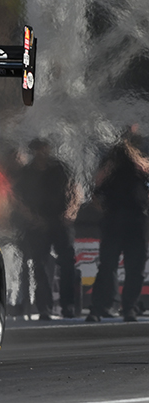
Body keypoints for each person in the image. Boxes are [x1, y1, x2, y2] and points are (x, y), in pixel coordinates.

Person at [12, 138, 80, 320]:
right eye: (37, 148)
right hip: (38, 223)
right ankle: (44, 308)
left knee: (67, 263)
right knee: (39, 265)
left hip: (60, 220)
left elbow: (75, 189)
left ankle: (68, 306)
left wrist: (71, 211)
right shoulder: (26, 172)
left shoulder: (60, 168)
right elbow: (16, 197)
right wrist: (31, 217)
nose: (41, 152)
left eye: (44, 148)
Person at [87, 124, 149, 322]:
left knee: (135, 267)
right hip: (114, 216)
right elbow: (97, 183)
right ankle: (99, 308)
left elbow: (145, 168)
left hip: (136, 217)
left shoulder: (140, 159)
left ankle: (129, 307)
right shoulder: (110, 160)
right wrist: (102, 209)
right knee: (107, 265)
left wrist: (131, 153)